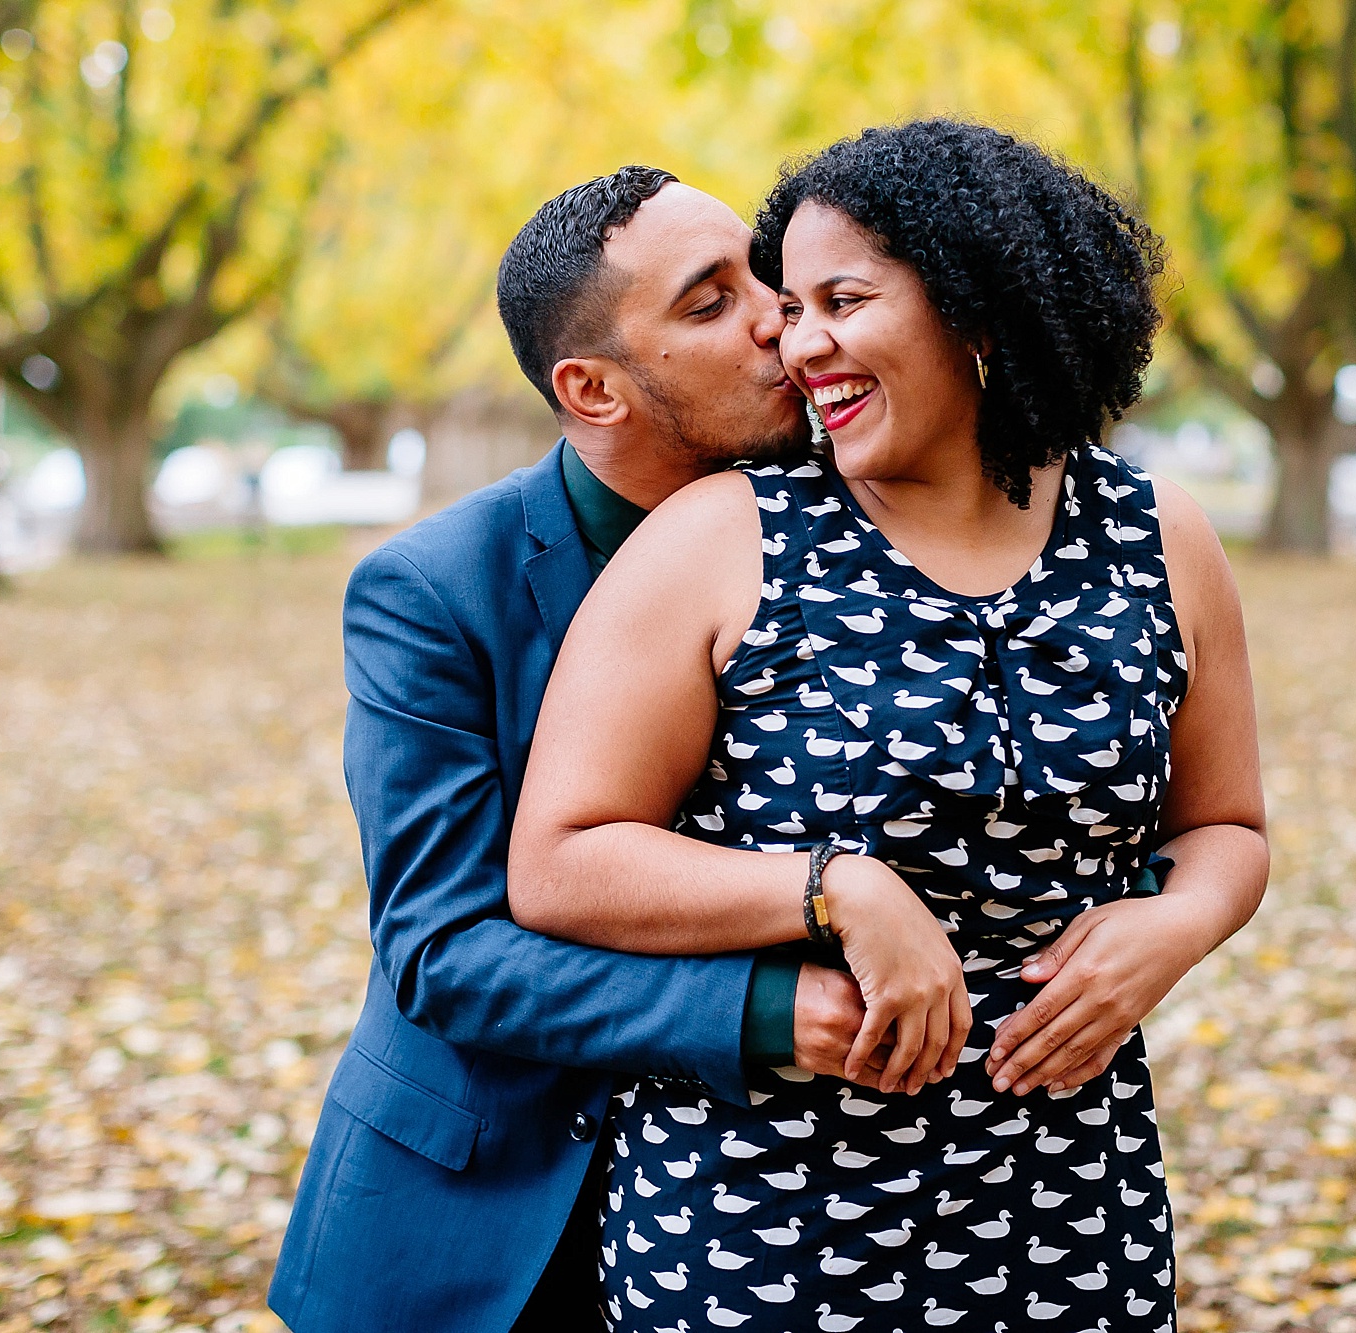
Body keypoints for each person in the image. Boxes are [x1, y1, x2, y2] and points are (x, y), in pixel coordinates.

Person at [507, 119, 1270, 1329]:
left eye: (840, 300)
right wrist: (828, 885)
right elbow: (561, 860)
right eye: (786, 305)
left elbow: (1225, 823)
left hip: (1072, 1198)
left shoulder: (1158, 536)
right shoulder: (722, 539)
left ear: (975, 303)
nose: (797, 341)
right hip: (760, 1223)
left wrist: (1173, 924)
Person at [269, 167, 897, 1333]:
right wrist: (755, 1009)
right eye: (710, 304)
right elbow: (443, 948)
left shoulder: (865, 525)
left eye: (762, 275)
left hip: (784, 1222)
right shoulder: (433, 591)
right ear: (592, 389)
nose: (778, 315)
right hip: (484, 1226)